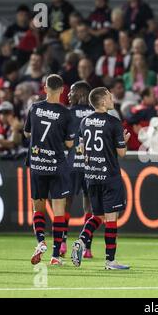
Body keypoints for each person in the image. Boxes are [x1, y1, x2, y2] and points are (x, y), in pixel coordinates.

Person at [71, 87, 131, 270]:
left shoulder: (84, 122)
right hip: (109, 175)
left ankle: (81, 241)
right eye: (109, 96)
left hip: (91, 175)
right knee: (111, 218)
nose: (112, 99)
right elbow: (121, 153)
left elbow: (82, 148)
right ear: (103, 102)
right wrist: (124, 142)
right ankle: (110, 261)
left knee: (98, 215)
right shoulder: (113, 122)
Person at [24, 74, 75, 266]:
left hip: (37, 163)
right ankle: (55, 255)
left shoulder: (35, 108)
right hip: (56, 165)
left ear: (45, 88)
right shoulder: (65, 113)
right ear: (62, 90)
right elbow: (69, 143)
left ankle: (40, 242)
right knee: (59, 210)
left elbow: (28, 132)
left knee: (38, 206)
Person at [60, 81, 95, 259]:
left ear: (81, 94)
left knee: (66, 202)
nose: (68, 94)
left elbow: (62, 138)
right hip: (91, 166)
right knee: (89, 205)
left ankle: (63, 243)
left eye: (72, 91)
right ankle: (87, 247)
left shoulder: (67, 113)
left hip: (72, 164)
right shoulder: (96, 114)